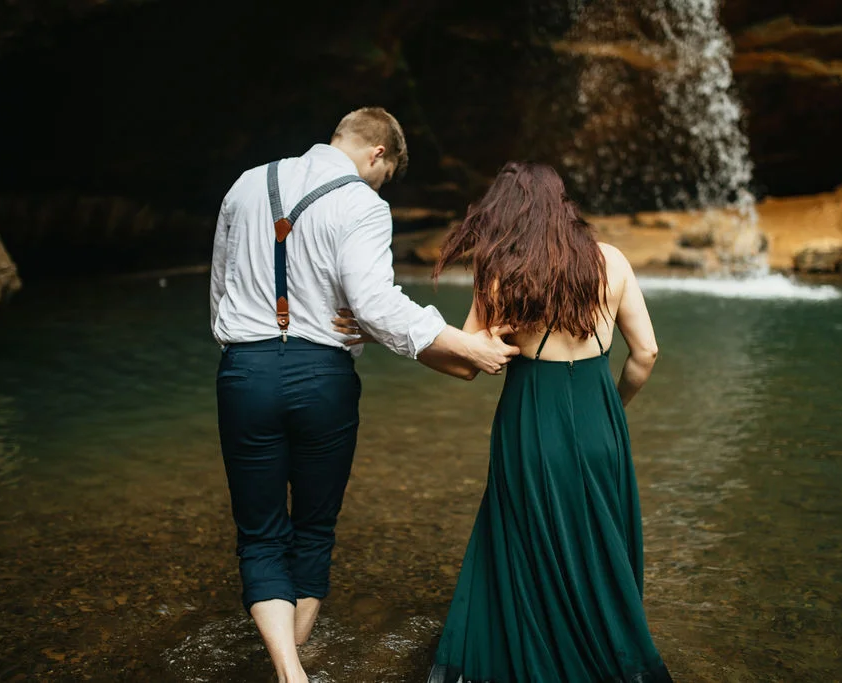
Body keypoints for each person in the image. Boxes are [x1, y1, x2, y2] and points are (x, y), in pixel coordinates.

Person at [210, 107, 519, 683]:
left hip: (244, 372)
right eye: (388, 174)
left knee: (258, 531)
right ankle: (293, 667)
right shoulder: (362, 203)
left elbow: (222, 287)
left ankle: (287, 669)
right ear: (379, 153)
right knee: (314, 527)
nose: (382, 185)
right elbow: (375, 305)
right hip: (322, 377)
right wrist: (463, 346)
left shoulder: (247, 183)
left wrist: (243, 352)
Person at [340, 161, 669, 682]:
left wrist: (378, 330)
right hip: (600, 421)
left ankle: (534, 659)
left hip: (530, 425)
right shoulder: (613, 262)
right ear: (563, 206)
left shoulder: (503, 273)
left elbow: (469, 361)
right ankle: (615, 656)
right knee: (598, 545)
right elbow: (645, 354)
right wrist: (612, 413)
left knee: (525, 542)